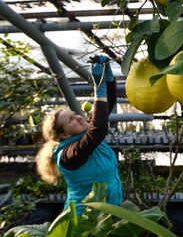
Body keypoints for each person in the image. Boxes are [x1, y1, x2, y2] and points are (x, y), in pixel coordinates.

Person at [36, 55, 123, 215]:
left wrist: (107, 75)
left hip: (105, 219)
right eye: (71, 120)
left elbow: (107, 104)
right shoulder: (68, 155)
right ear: (63, 135)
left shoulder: (84, 134)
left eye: (75, 114)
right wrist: (98, 88)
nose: (78, 117)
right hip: (83, 225)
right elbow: (98, 129)